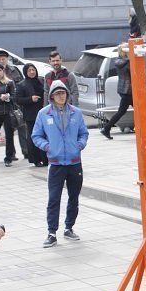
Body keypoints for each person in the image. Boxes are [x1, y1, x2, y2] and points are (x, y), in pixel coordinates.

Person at [32, 80, 89, 248]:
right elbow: (36, 136)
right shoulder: (44, 114)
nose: (61, 96)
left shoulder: (76, 113)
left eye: (63, 93)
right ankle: (51, 233)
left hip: (74, 162)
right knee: (54, 198)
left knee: (74, 197)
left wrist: (79, 145)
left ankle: (69, 227)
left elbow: (84, 133)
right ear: (51, 96)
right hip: (56, 163)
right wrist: (48, 147)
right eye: (57, 93)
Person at [0, 50, 26, 161]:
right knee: (8, 132)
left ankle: (26, 152)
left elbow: (22, 84)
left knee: (22, 128)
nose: (1, 61)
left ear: (7, 59)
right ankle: (11, 154)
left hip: (17, 105)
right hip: (1, 108)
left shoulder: (14, 70)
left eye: (3, 59)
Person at [15, 64, 47, 167]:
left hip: (43, 112)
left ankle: (45, 158)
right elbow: (17, 100)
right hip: (31, 114)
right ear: (25, 72)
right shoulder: (22, 84)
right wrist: (30, 99)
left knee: (45, 135)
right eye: (29, 70)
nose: (32, 72)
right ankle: (36, 159)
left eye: (33, 70)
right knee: (33, 136)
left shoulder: (41, 80)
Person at [101, 43, 132, 140]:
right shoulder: (123, 61)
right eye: (128, 49)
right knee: (122, 111)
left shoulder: (122, 61)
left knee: (125, 111)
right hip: (127, 91)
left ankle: (107, 128)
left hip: (126, 90)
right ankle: (106, 128)